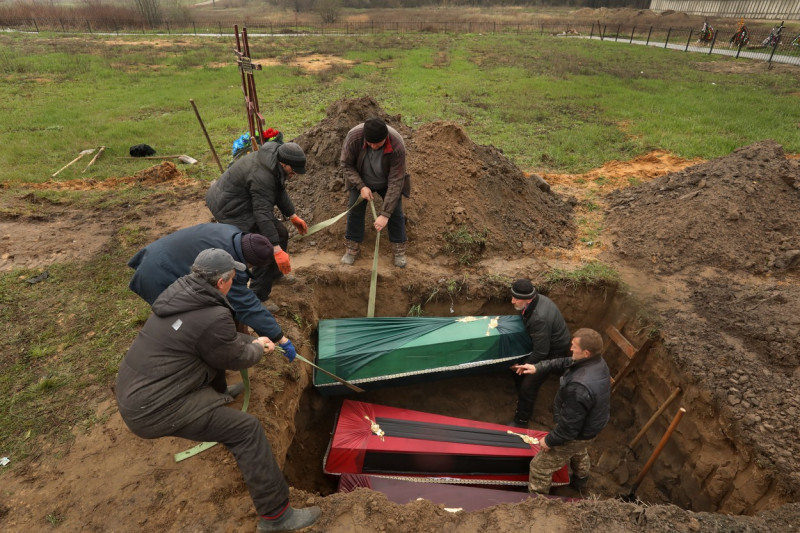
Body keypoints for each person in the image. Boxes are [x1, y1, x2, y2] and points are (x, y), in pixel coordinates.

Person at [116, 249, 320, 532]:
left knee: (210, 358)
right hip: (155, 408)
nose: (238, 282)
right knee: (246, 430)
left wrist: (251, 340)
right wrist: (258, 348)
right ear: (222, 282)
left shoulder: (181, 295)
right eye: (235, 278)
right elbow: (233, 356)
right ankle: (277, 517)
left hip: (135, 390)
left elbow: (214, 341)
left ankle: (218, 397)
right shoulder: (212, 314)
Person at [127, 223, 298, 359]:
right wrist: (280, 338)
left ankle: (235, 343)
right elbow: (247, 305)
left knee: (216, 309)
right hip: (158, 274)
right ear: (248, 262)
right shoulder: (225, 264)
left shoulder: (233, 234)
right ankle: (196, 360)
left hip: (163, 253)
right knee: (187, 322)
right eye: (251, 267)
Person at [206, 141, 309, 301]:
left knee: (281, 233)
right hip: (230, 207)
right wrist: (275, 249)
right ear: (284, 164)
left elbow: (279, 189)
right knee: (264, 246)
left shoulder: (274, 161)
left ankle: (274, 275)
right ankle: (258, 296)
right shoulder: (263, 176)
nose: (295, 174)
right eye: (294, 170)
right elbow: (262, 213)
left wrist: (292, 216)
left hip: (238, 197)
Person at [513, 328, 610, 494]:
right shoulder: (597, 362)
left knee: (539, 466)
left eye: (574, 346)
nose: (570, 348)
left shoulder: (579, 387)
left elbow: (569, 427)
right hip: (590, 428)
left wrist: (549, 441)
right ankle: (580, 482)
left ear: (586, 352)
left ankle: (536, 504)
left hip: (577, 432)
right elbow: (566, 362)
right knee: (579, 450)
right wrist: (538, 367)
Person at [340, 116, 410, 268]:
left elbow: (396, 180)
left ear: (385, 138)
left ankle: (399, 251)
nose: (373, 146)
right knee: (355, 210)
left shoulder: (397, 145)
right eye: (369, 143)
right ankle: (351, 249)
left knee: (395, 212)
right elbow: (346, 164)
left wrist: (385, 215)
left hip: (387, 181)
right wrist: (361, 186)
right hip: (361, 179)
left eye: (377, 144)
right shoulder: (354, 137)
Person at [508, 279, 571, 428]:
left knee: (528, 385)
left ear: (528, 299)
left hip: (554, 352)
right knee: (517, 364)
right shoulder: (535, 301)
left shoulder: (539, 318)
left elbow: (542, 352)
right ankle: (519, 388)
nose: (512, 301)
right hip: (543, 344)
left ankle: (521, 421)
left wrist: (524, 366)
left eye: (516, 299)